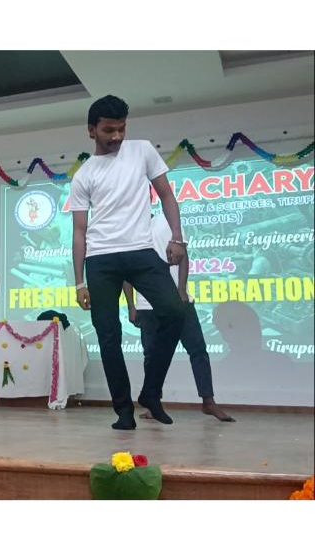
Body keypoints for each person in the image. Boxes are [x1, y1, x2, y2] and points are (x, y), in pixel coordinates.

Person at [69, 95, 187, 430]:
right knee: (109, 335)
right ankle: (123, 411)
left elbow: (167, 195)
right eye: (109, 130)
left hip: (141, 251)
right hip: (100, 259)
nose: (117, 136)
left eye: (122, 128)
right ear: (91, 130)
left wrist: (177, 238)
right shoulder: (84, 175)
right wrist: (79, 282)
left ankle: (151, 392)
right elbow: (79, 231)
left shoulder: (142, 150)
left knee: (175, 311)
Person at [123, 213, 234, 422]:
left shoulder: (167, 220)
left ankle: (208, 401)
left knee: (198, 350)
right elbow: (127, 274)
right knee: (151, 355)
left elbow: (183, 255)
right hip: (147, 305)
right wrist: (131, 305)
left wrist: (181, 289)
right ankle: (153, 403)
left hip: (178, 301)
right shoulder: (129, 230)